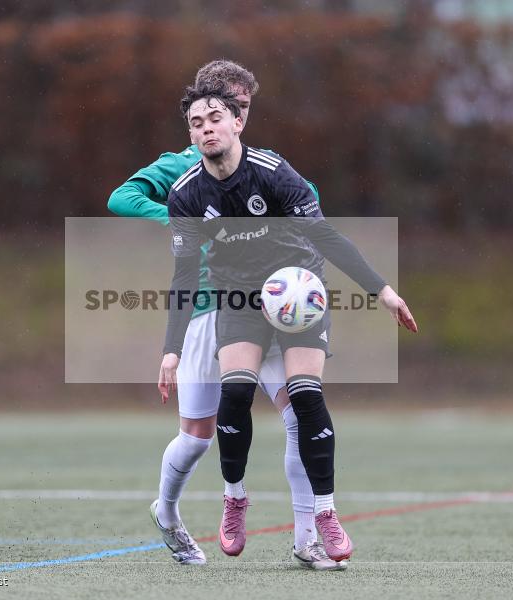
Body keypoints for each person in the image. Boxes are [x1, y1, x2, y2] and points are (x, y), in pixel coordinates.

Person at [160, 83, 418, 563]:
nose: (206, 127)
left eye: (215, 117)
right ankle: (234, 497)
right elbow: (182, 275)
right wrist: (171, 349)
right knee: (235, 392)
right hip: (237, 299)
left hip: (298, 293)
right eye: (196, 123)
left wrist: (383, 291)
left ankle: (326, 512)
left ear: (238, 122)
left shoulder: (274, 174)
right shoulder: (187, 194)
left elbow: (324, 234)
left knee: (305, 397)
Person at [108, 61, 342, 570]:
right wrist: (179, 220)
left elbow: (308, 207)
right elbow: (120, 197)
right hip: (208, 311)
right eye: (227, 106)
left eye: (244, 109)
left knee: (300, 416)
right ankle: (167, 513)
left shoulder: (261, 163)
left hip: (264, 306)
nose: (238, 116)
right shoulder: (181, 169)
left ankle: (308, 539)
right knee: (197, 437)